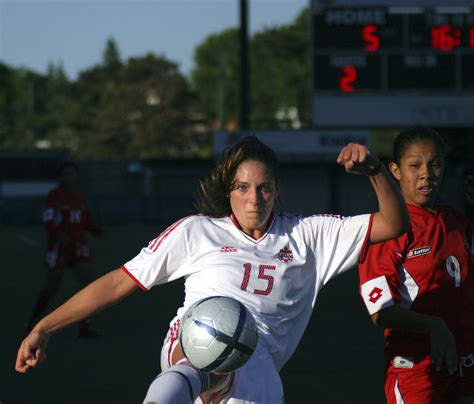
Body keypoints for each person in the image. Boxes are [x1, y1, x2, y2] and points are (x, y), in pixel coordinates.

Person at [16, 136, 410, 403]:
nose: (253, 198)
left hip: (261, 365)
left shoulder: (309, 234)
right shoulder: (197, 231)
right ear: (228, 190)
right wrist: (44, 327)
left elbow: (394, 224)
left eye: (264, 187)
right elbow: (121, 280)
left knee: (250, 360)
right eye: (242, 187)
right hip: (194, 339)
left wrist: (376, 170)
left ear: (277, 188)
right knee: (213, 342)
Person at [358, 127, 474, 404]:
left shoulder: (458, 222)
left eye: (435, 164)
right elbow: (379, 311)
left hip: (467, 358)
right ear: (395, 170)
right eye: (415, 165)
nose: (426, 173)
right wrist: (433, 326)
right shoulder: (386, 231)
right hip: (416, 365)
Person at [26, 161, 105, 337]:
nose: (69, 177)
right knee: (52, 287)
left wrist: (96, 231)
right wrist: (58, 235)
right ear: (60, 177)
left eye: (72, 173)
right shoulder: (54, 196)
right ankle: (33, 322)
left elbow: (85, 221)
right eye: (65, 174)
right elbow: (48, 220)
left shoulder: (79, 198)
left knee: (88, 285)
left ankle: (85, 325)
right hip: (59, 248)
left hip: (78, 246)